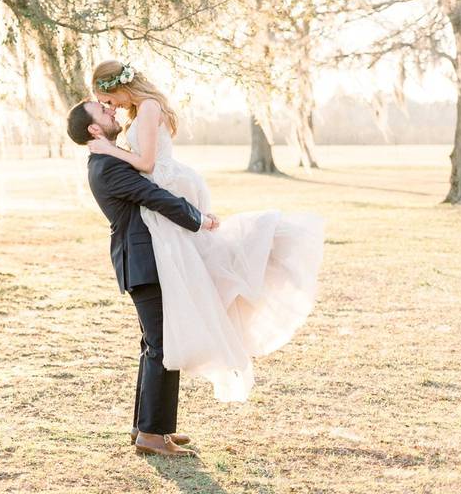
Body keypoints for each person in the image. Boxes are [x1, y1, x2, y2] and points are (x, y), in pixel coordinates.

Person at [87, 59, 324, 404]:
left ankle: (246, 268)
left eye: (108, 100)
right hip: (164, 190)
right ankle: (152, 427)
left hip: (170, 184)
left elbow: (148, 165)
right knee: (193, 274)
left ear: (119, 86)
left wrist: (110, 148)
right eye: (105, 106)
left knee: (200, 266)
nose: (111, 107)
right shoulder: (140, 113)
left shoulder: (149, 107)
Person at [67, 98, 218, 457]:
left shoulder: (107, 159)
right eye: (103, 112)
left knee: (154, 344)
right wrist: (199, 219)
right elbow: (154, 195)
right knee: (162, 345)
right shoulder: (107, 167)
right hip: (143, 262)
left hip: (145, 260)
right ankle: (152, 434)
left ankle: (147, 427)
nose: (112, 111)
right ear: (93, 129)